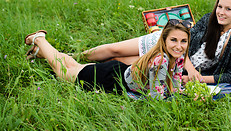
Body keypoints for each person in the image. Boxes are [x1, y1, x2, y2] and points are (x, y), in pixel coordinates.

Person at [79, 0, 231, 85]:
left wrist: (198, 78)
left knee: (120, 63)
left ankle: (76, 68)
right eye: (220, 7)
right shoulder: (209, 19)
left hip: (172, 57)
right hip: (167, 42)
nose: (221, 12)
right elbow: (186, 40)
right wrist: (193, 70)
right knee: (114, 49)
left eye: (228, 9)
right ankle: (76, 57)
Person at [24, 19, 191, 99]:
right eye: (173, 40)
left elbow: (174, 85)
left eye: (183, 41)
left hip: (117, 71)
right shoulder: (160, 60)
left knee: (72, 65)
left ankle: (40, 51)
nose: (179, 46)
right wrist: (188, 99)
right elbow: (157, 98)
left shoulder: (177, 57)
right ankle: (39, 39)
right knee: (63, 71)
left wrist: (182, 93)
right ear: (164, 40)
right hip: (110, 79)